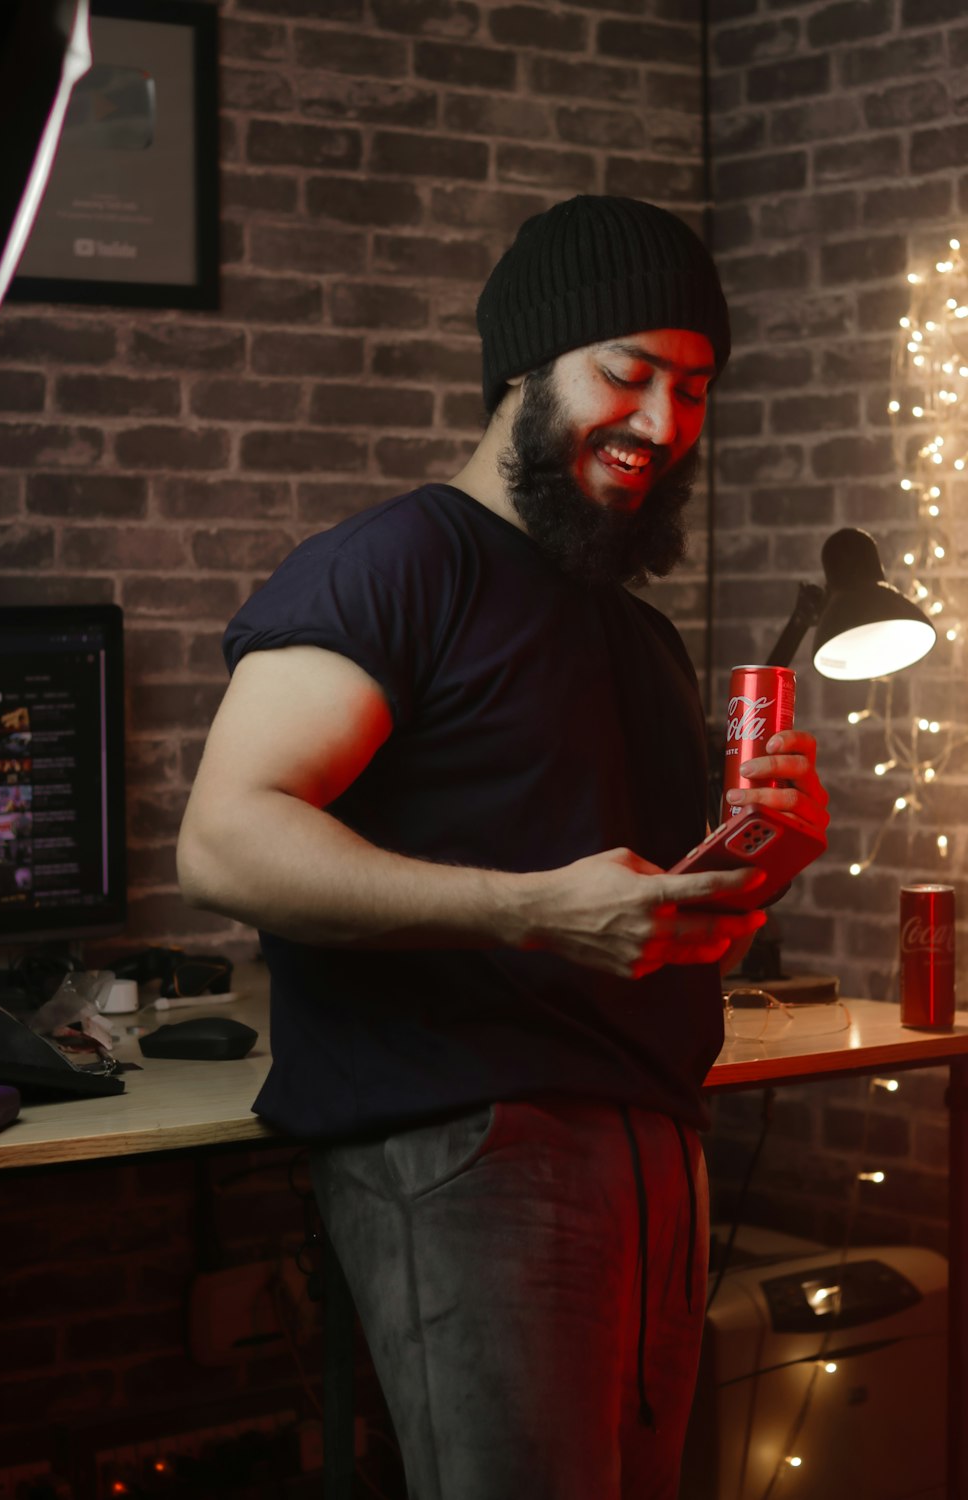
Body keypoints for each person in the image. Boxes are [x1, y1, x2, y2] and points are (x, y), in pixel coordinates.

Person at [178, 195, 830, 1499]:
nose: (662, 423)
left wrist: (760, 861)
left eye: (692, 388)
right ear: (523, 371)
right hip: (473, 1141)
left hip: (655, 1143)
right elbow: (227, 840)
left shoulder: (635, 629)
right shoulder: (401, 563)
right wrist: (531, 908)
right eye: (627, 374)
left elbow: (630, 907)